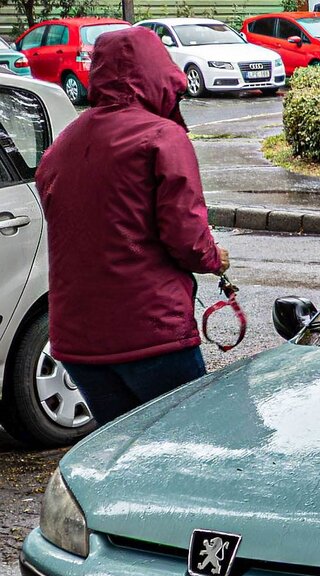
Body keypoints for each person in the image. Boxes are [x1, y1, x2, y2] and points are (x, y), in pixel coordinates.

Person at [35, 26, 229, 427]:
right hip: (150, 333)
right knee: (185, 447)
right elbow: (187, 239)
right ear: (159, 71)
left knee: (122, 451)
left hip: (76, 340)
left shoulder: (66, 141)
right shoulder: (162, 136)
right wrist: (214, 258)